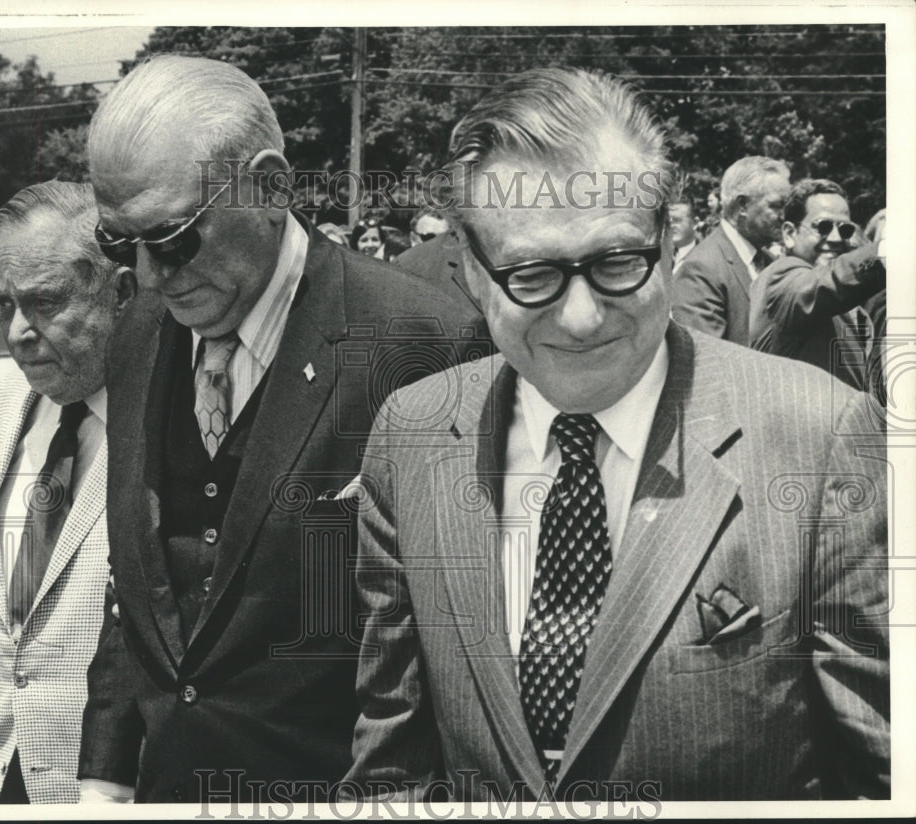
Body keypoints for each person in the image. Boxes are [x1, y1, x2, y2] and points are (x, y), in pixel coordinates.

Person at [345, 67, 888, 802]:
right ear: (472, 271)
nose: (580, 318)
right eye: (530, 275)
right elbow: (393, 765)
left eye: (616, 263)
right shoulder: (410, 437)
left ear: (667, 244)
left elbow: (886, 774)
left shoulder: (820, 435)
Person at [78, 54, 483, 804]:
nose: (150, 272)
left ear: (270, 187)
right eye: (117, 243)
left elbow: (452, 651)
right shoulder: (137, 334)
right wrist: (103, 774)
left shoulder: (421, 344)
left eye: (171, 237)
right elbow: (138, 588)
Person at [0, 181, 136, 803]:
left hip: (104, 786)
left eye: (43, 303)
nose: (16, 332)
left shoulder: (179, 425)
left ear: (121, 292)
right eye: (2, 302)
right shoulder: (7, 400)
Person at [748, 179, 886, 394]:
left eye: (845, 230)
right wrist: (891, 248)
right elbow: (824, 285)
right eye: (823, 226)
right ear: (789, 234)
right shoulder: (780, 279)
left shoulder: (853, 310)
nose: (835, 238)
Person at [671, 156, 791, 346]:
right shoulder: (701, 269)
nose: (785, 216)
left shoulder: (770, 262)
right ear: (743, 205)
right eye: (777, 205)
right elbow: (705, 363)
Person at [667, 195, 698, 270]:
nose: (671, 226)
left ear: (695, 223)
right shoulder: (659, 258)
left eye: (677, 220)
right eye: (667, 221)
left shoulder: (707, 257)